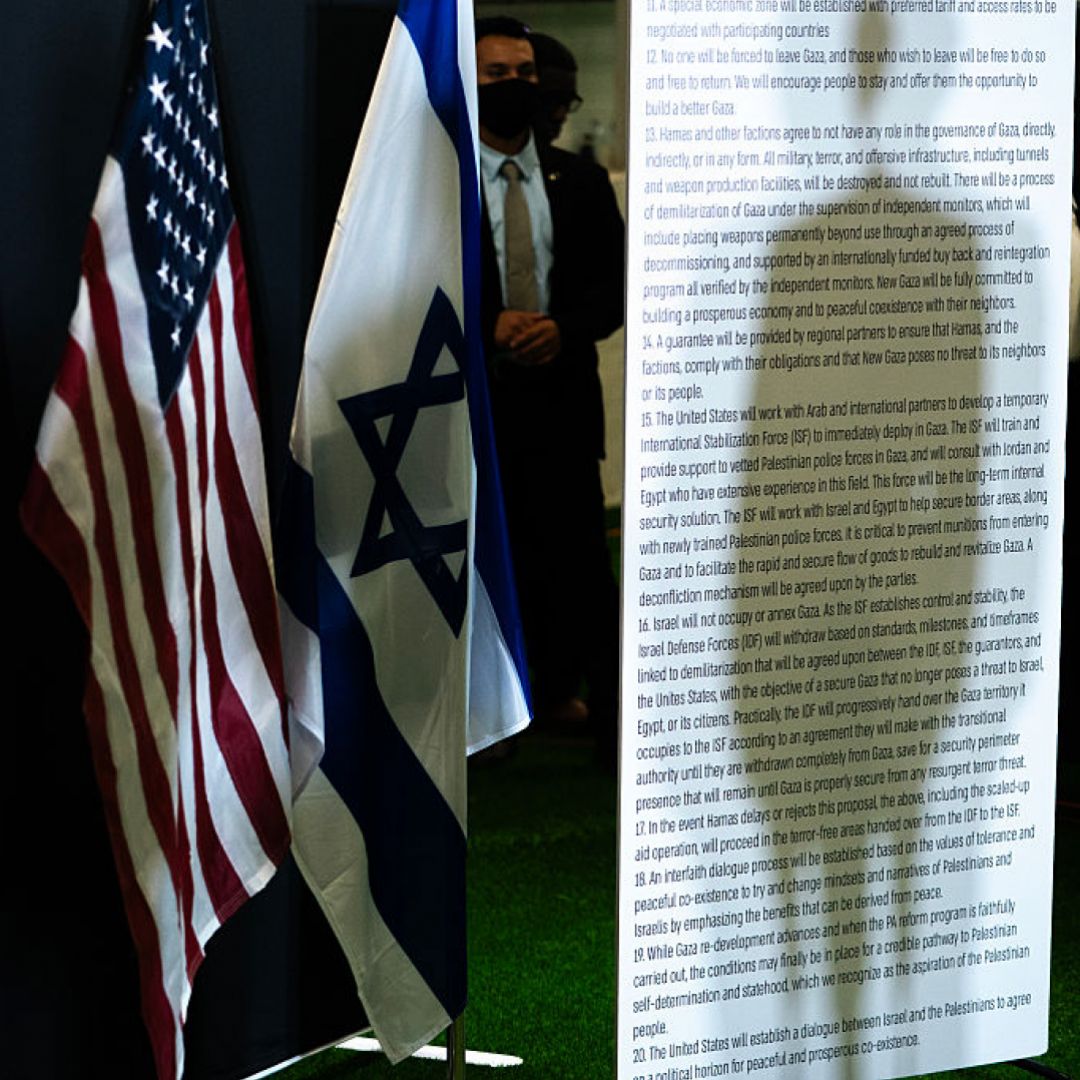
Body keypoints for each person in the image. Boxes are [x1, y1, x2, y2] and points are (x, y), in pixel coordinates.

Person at [475, 16, 623, 757]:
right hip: (477, 409)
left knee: (577, 566)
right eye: (496, 74)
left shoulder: (583, 181)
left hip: (563, 407)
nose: (514, 86)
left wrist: (562, 328)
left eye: (524, 73)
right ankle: (491, 715)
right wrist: (489, 324)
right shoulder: (437, 183)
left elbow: (614, 293)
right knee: (490, 558)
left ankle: (593, 709)